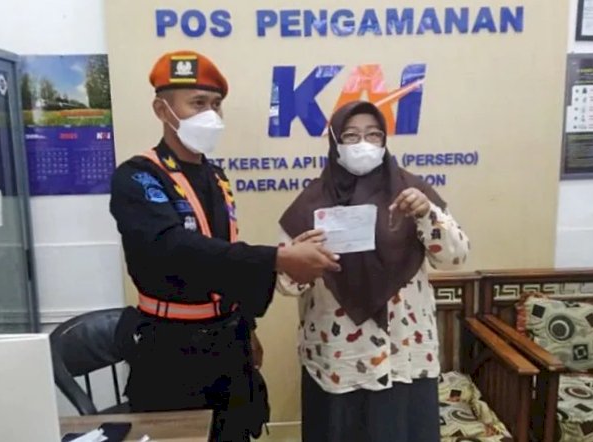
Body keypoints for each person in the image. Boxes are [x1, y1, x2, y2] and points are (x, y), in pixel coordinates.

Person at [109, 50, 340, 442]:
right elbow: (174, 248)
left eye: (216, 105)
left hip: (228, 343)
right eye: (198, 103)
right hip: (170, 347)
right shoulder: (138, 177)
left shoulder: (215, 176)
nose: (210, 114)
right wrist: (278, 258)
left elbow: (224, 252)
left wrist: (247, 326)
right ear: (162, 109)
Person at [277, 101, 470, 442]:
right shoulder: (312, 201)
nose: (363, 144)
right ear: (335, 142)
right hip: (338, 356)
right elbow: (285, 284)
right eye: (351, 136)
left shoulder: (413, 192)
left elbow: (455, 257)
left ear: (384, 141)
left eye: (373, 134)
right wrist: (301, 259)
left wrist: (427, 214)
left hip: (403, 352)